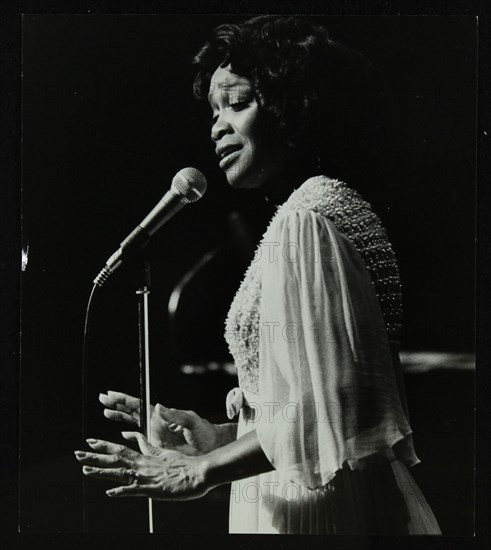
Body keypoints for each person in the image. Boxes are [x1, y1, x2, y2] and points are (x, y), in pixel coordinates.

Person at [75, 15, 441, 534]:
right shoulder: (324, 208)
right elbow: (311, 412)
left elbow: (337, 413)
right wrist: (218, 437)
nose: (217, 126)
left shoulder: (306, 221)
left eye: (237, 103)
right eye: (214, 110)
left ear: (292, 109)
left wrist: (197, 472)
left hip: (318, 512)